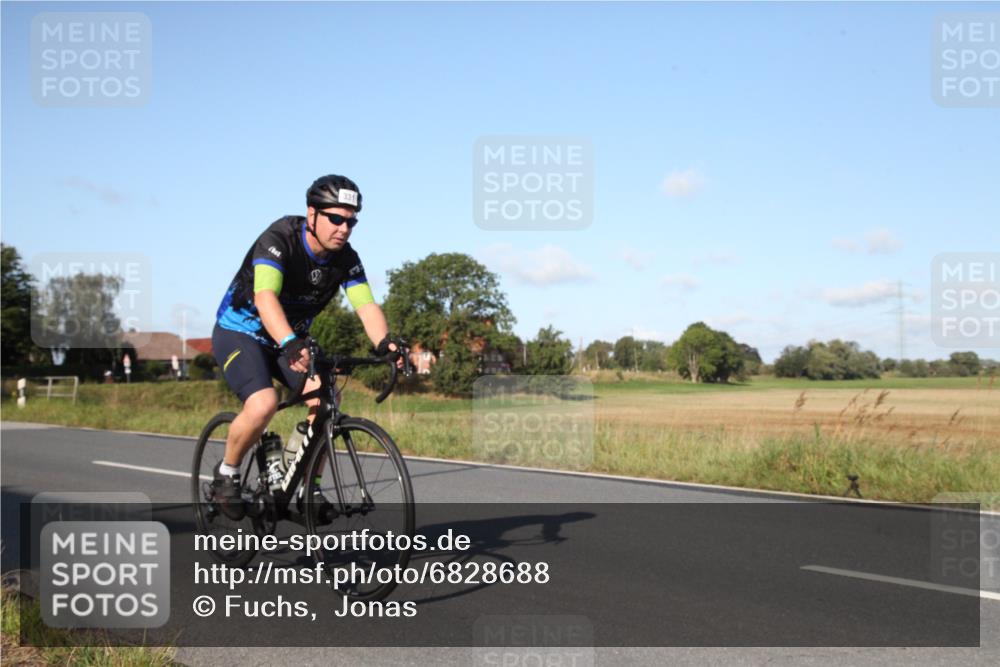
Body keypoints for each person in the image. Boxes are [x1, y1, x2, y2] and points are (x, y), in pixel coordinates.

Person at [210, 174, 403, 519]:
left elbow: (366, 306)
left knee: (327, 398)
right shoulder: (279, 240)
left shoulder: (345, 258)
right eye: (336, 219)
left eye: (351, 221)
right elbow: (265, 297)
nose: (344, 228)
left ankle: (306, 485)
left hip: (291, 339)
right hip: (241, 332)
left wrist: (385, 343)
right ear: (311, 214)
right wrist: (288, 342)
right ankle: (227, 473)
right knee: (263, 403)